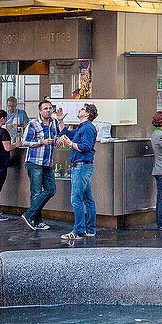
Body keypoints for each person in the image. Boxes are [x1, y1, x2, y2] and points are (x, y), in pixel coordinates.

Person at [21, 99, 71, 231]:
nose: (48, 111)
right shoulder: (33, 123)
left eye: (50, 108)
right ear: (40, 111)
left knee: (51, 190)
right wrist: (41, 142)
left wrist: (58, 139)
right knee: (36, 192)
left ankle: (29, 215)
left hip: (48, 162)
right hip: (34, 162)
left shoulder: (54, 122)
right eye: (45, 108)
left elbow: (60, 135)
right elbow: (25, 142)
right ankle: (36, 220)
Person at [60, 103, 98, 241]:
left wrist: (70, 144)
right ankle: (90, 229)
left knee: (76, 199)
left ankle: (78, 231)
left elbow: (86, 147)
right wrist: (61, 121)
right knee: (88, 199)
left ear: (87, 113)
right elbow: (66, 133)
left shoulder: (87, 128)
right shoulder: (82, 127)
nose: (79, 110)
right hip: (84, 166)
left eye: (82, 109)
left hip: (81, 166)